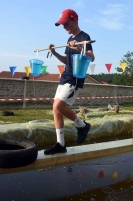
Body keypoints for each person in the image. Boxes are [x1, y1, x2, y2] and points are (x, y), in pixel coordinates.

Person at [44, 9, 95, 155]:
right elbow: (66, 60)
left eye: (66, 23)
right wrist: (54, 53)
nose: (64, 27)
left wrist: (79, 49)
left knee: (58, 105)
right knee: (55, 109)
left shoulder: (84, 37)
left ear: (74, 20)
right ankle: (61, 144)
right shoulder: (68, 40)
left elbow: (92, 57)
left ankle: (82, 126)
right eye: (62, 24)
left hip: (75, 78)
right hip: (65, 76)